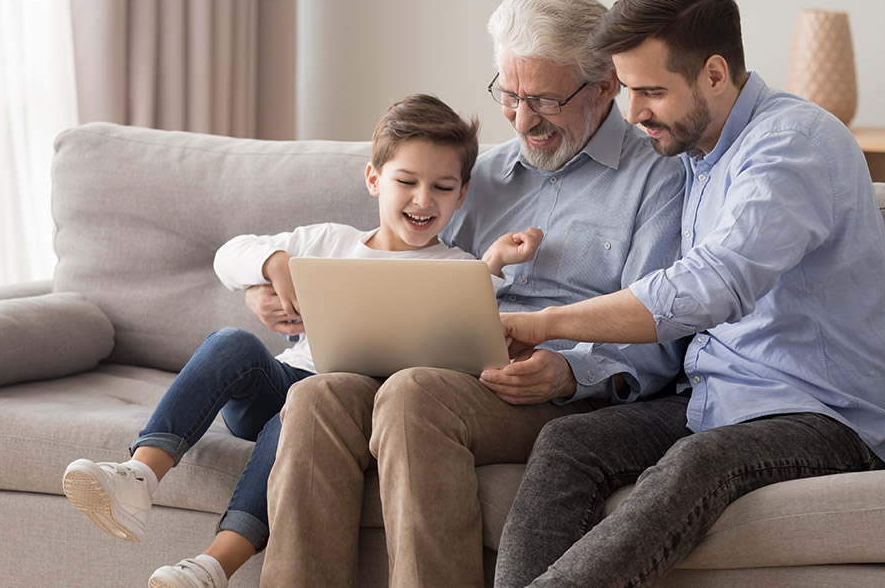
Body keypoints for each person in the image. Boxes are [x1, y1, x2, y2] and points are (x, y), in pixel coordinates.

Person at [254, 0, 687, 588]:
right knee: (315, 398)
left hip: (553, 391)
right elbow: (393, 255)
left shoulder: (658, 179)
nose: (522, 118)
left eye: (543, 99)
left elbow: (660, 329)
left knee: (413, 398)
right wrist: (275, 281)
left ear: (606, 87)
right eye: (509, 95)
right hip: (442, 365)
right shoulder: (478, 176)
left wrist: (568, 372)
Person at [496, 0, 885, 588]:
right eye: (628, 89)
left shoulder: (788, 147)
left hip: (828, 419)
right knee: (568, 445)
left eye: (650, 92)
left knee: (697, 463)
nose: (632, 113)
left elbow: (709, 286)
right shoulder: (698, 153)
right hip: (714, 403)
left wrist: (543, 323)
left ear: (715, 74)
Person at [61, 94, 542, 588]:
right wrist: (273, 266)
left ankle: (209, 567)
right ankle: (139, 475)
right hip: (289, 377)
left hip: (348, 412)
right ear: (374, 179)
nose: (424, 200)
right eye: (407, 182)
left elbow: (473, 339)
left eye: (442, 187)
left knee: (299, 417)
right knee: (233, 343)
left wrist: (492, 266)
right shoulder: (327, 242)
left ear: (461, 195)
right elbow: (230, 254)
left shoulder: (460, 270)